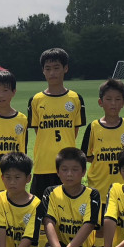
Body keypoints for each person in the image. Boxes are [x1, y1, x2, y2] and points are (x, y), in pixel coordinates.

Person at [80, 78, 124, 247]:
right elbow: (86, 156)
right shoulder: (94, 127)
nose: (113, 104)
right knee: (101, 228)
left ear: (123, 102)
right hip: (100, 188)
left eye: (118, 99)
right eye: (109, 99)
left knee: (123, 227)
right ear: (100, 102)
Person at [27, 48, 86, 198]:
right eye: (48, 69)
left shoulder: (75, 98)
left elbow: (74, 131)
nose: (52, 73)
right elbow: (39, 132)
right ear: (43, 71)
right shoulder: (35, 100)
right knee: (41, 208)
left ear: (65, 68)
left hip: (68, 167)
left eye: (56, 68)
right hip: (43, 165)